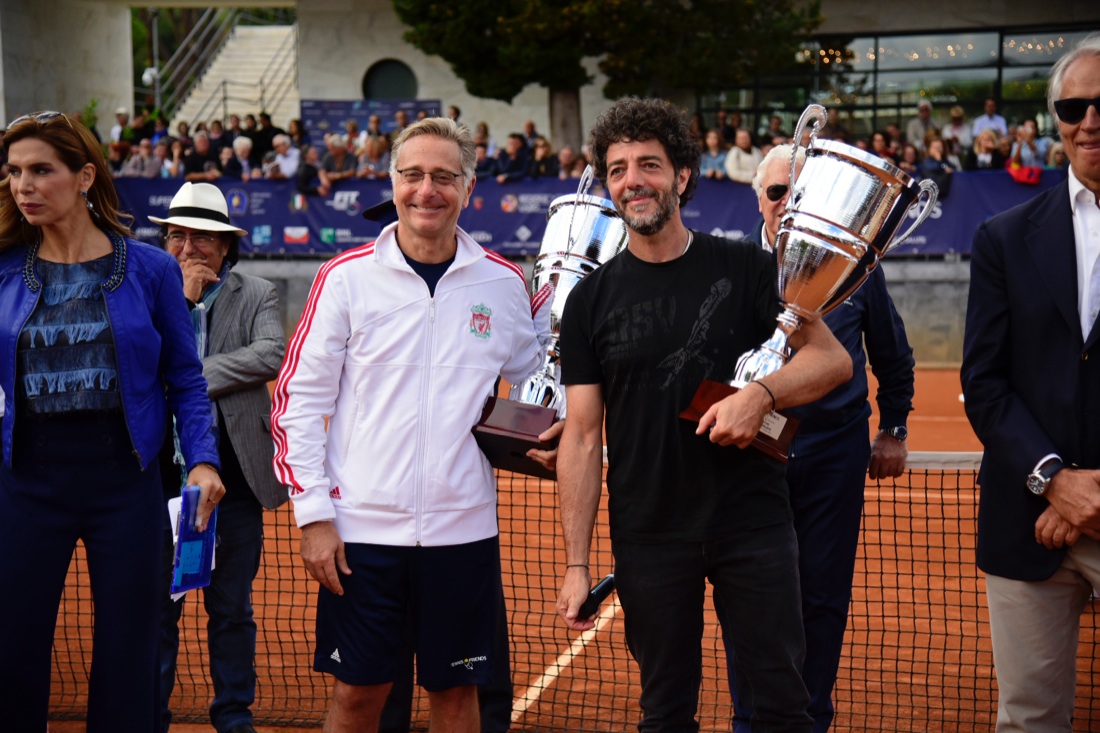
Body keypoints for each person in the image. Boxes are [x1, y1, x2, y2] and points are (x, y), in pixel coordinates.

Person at [555, 97, 852, 733]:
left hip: (753, 524)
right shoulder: (589, 301)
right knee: (664, 712)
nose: (632, 181)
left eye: (649, 164)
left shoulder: (748, 267)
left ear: (682, 175)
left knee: (781, 706)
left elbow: (832, 361)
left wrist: (762, 394)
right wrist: (577, 565)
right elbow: (580, 436)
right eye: (617, 169)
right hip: (649, 532)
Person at [270, 117, 559, 733]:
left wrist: (560, 409)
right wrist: (314, 516)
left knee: (456, 698)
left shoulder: (503, 283)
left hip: (464, 534)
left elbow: (536, 380)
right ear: (393, 182)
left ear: (468, 188)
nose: (427, 190)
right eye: (413, 175)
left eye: (444, 177)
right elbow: (298, 401)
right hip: (361, 536)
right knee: (358, 697)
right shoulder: (344, 278)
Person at [0, 110, 224, 731]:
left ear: (84, 177)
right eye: (14, 172)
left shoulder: (152, 269)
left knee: (130, 657)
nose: (23, 185)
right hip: (25, 483)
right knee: (12, 650)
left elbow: (185, 378)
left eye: (41, 169)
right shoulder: (3, 267)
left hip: (126, 483)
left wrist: (203, 459)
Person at [728, 145, 915, 733]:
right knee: (749, 591)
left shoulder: (855, 270)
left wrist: (893, 429)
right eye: (777, 192)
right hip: (754, 457)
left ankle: (810, 717)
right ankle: (750, 717)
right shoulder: (732, 269)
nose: (788, 203)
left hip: (835, 452)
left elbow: (893, 355)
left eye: (800, 192)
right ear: (758, 199)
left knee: (823, 596)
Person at [960, 35, 1100, 733]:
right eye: (1074, 107)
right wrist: (1055, 481)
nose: (1090, 121)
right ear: (1057, 120)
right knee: (1029, 720)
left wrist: (1091, 494)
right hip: (1028, 519)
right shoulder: (1003, 237)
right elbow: (984, 383)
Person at [151, 182, 287, 733]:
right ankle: (151, 715)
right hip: (161, 481)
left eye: (202, 237)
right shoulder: (149, 290)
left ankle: (233, 716)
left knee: (231, 609)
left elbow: (270, 353)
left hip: (235, 483)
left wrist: (187, 378)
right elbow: (140, 363)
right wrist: (182, 301)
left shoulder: (258, 292)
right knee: (160, 611)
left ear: (226, 245)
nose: (189, 248)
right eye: (177, 236)